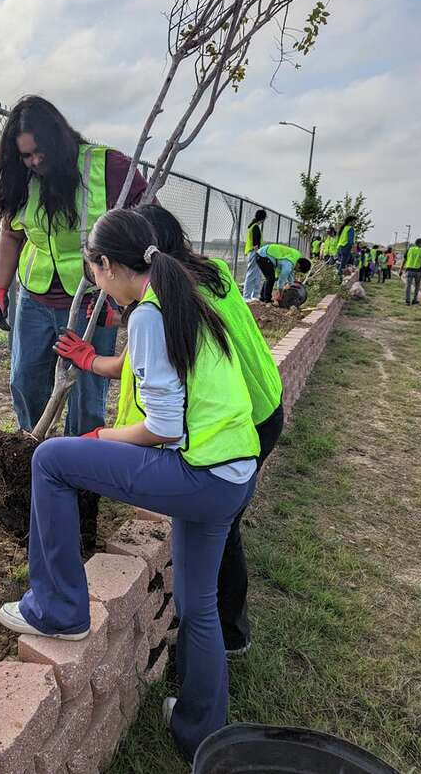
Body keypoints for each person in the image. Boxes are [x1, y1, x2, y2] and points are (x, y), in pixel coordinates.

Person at [0, 209, 260, 763]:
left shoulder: (147, 315)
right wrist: (95, 366)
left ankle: (58, 609)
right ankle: (200, 731)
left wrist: (101, 435)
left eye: (93, 270)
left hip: (201, 472)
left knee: (51, 460)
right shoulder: (182, 298)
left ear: (106, 264)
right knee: (198, 605)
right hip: (234, 471)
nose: (93, 281)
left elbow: (163, 426)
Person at [134, 204, 283, 655]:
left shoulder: (173, 297)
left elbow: (152, 386)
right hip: (265, 408)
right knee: (222, 525)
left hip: (241, 425)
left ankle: (228, 635)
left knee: (220, 527)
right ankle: (221, 629)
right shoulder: (213, 271)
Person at [0, 95, 148, 436]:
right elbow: (11, 235)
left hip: (93, 300)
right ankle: (34, 450)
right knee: (25, 378)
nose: (35, 160)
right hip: (35, 300)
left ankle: (80, 464)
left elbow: (148, 226)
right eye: (26, 155)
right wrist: (0, 287)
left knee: (87, 393)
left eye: (40, 151)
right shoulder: (21, 178)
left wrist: (127, 302)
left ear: (61, 138)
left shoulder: (109, 168)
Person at [242, 209, 267, 302]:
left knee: (257, 274)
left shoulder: (254, 226)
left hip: (255, 252)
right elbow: (255, 243)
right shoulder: (255, 227)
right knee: (251, 274)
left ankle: (254, 295)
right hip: (254, 252)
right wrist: (258, 254)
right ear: (263, 218)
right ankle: (246, 296)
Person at [400, 238, 421, 305]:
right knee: (417, 286)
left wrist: (401, 269)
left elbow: (404, 260)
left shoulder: (409, 249)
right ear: (420, 243)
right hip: (418, 271)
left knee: (408, 285)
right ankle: (414, 300)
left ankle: (407, 301)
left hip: (409, 270)